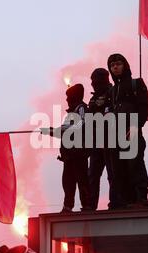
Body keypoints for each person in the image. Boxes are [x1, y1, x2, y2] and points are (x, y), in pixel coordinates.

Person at [106, 53, 148, 209]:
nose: (115, 67)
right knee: (118, 170)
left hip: (132, 133)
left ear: (124, 64)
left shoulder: (136, 83)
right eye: (112, 65)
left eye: (118, 63)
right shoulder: (112, 91)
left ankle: (140, 199)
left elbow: (144, 107)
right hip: (115, 136)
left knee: (135, 165)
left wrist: (135, 127)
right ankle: (126, 201)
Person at [41, 84, 92, 213]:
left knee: (82, 180)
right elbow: (64, 130)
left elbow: (78, 126)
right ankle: (68, 206)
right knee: (68, 182)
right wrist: (51, 131)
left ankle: (86, 206)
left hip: (78, 153)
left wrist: (53, 130)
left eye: (68, 96)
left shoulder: (82, 109)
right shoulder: (70, 114)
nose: (66, 100)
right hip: (69, 154)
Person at [87, 68, 116, 210]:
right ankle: (90, 205)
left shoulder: (113, 93)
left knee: (113, 174)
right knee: (92, 176)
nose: (93, 83)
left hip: (111, 140)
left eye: (95, 80)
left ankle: (115, 203)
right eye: (92, 81)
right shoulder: (93, 98)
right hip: (96, 141)